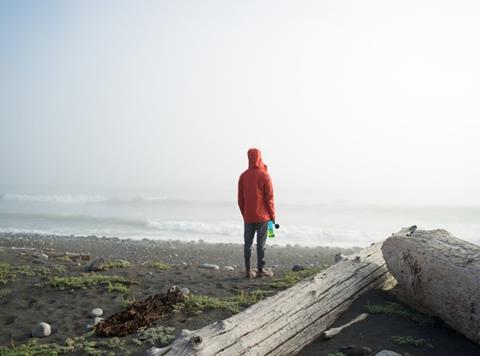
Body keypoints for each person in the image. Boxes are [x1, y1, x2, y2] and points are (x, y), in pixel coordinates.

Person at [238, 148, 275, 278]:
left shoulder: (243, 176)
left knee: (247, 244)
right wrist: (273, 216)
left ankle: (248, 271)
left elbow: (240, 200)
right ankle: (260, 270)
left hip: (248, 217)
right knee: (261, 245)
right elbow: (269, 199)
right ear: (260, 158)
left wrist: (245, 214)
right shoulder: (265, 175)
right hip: (263, 217)